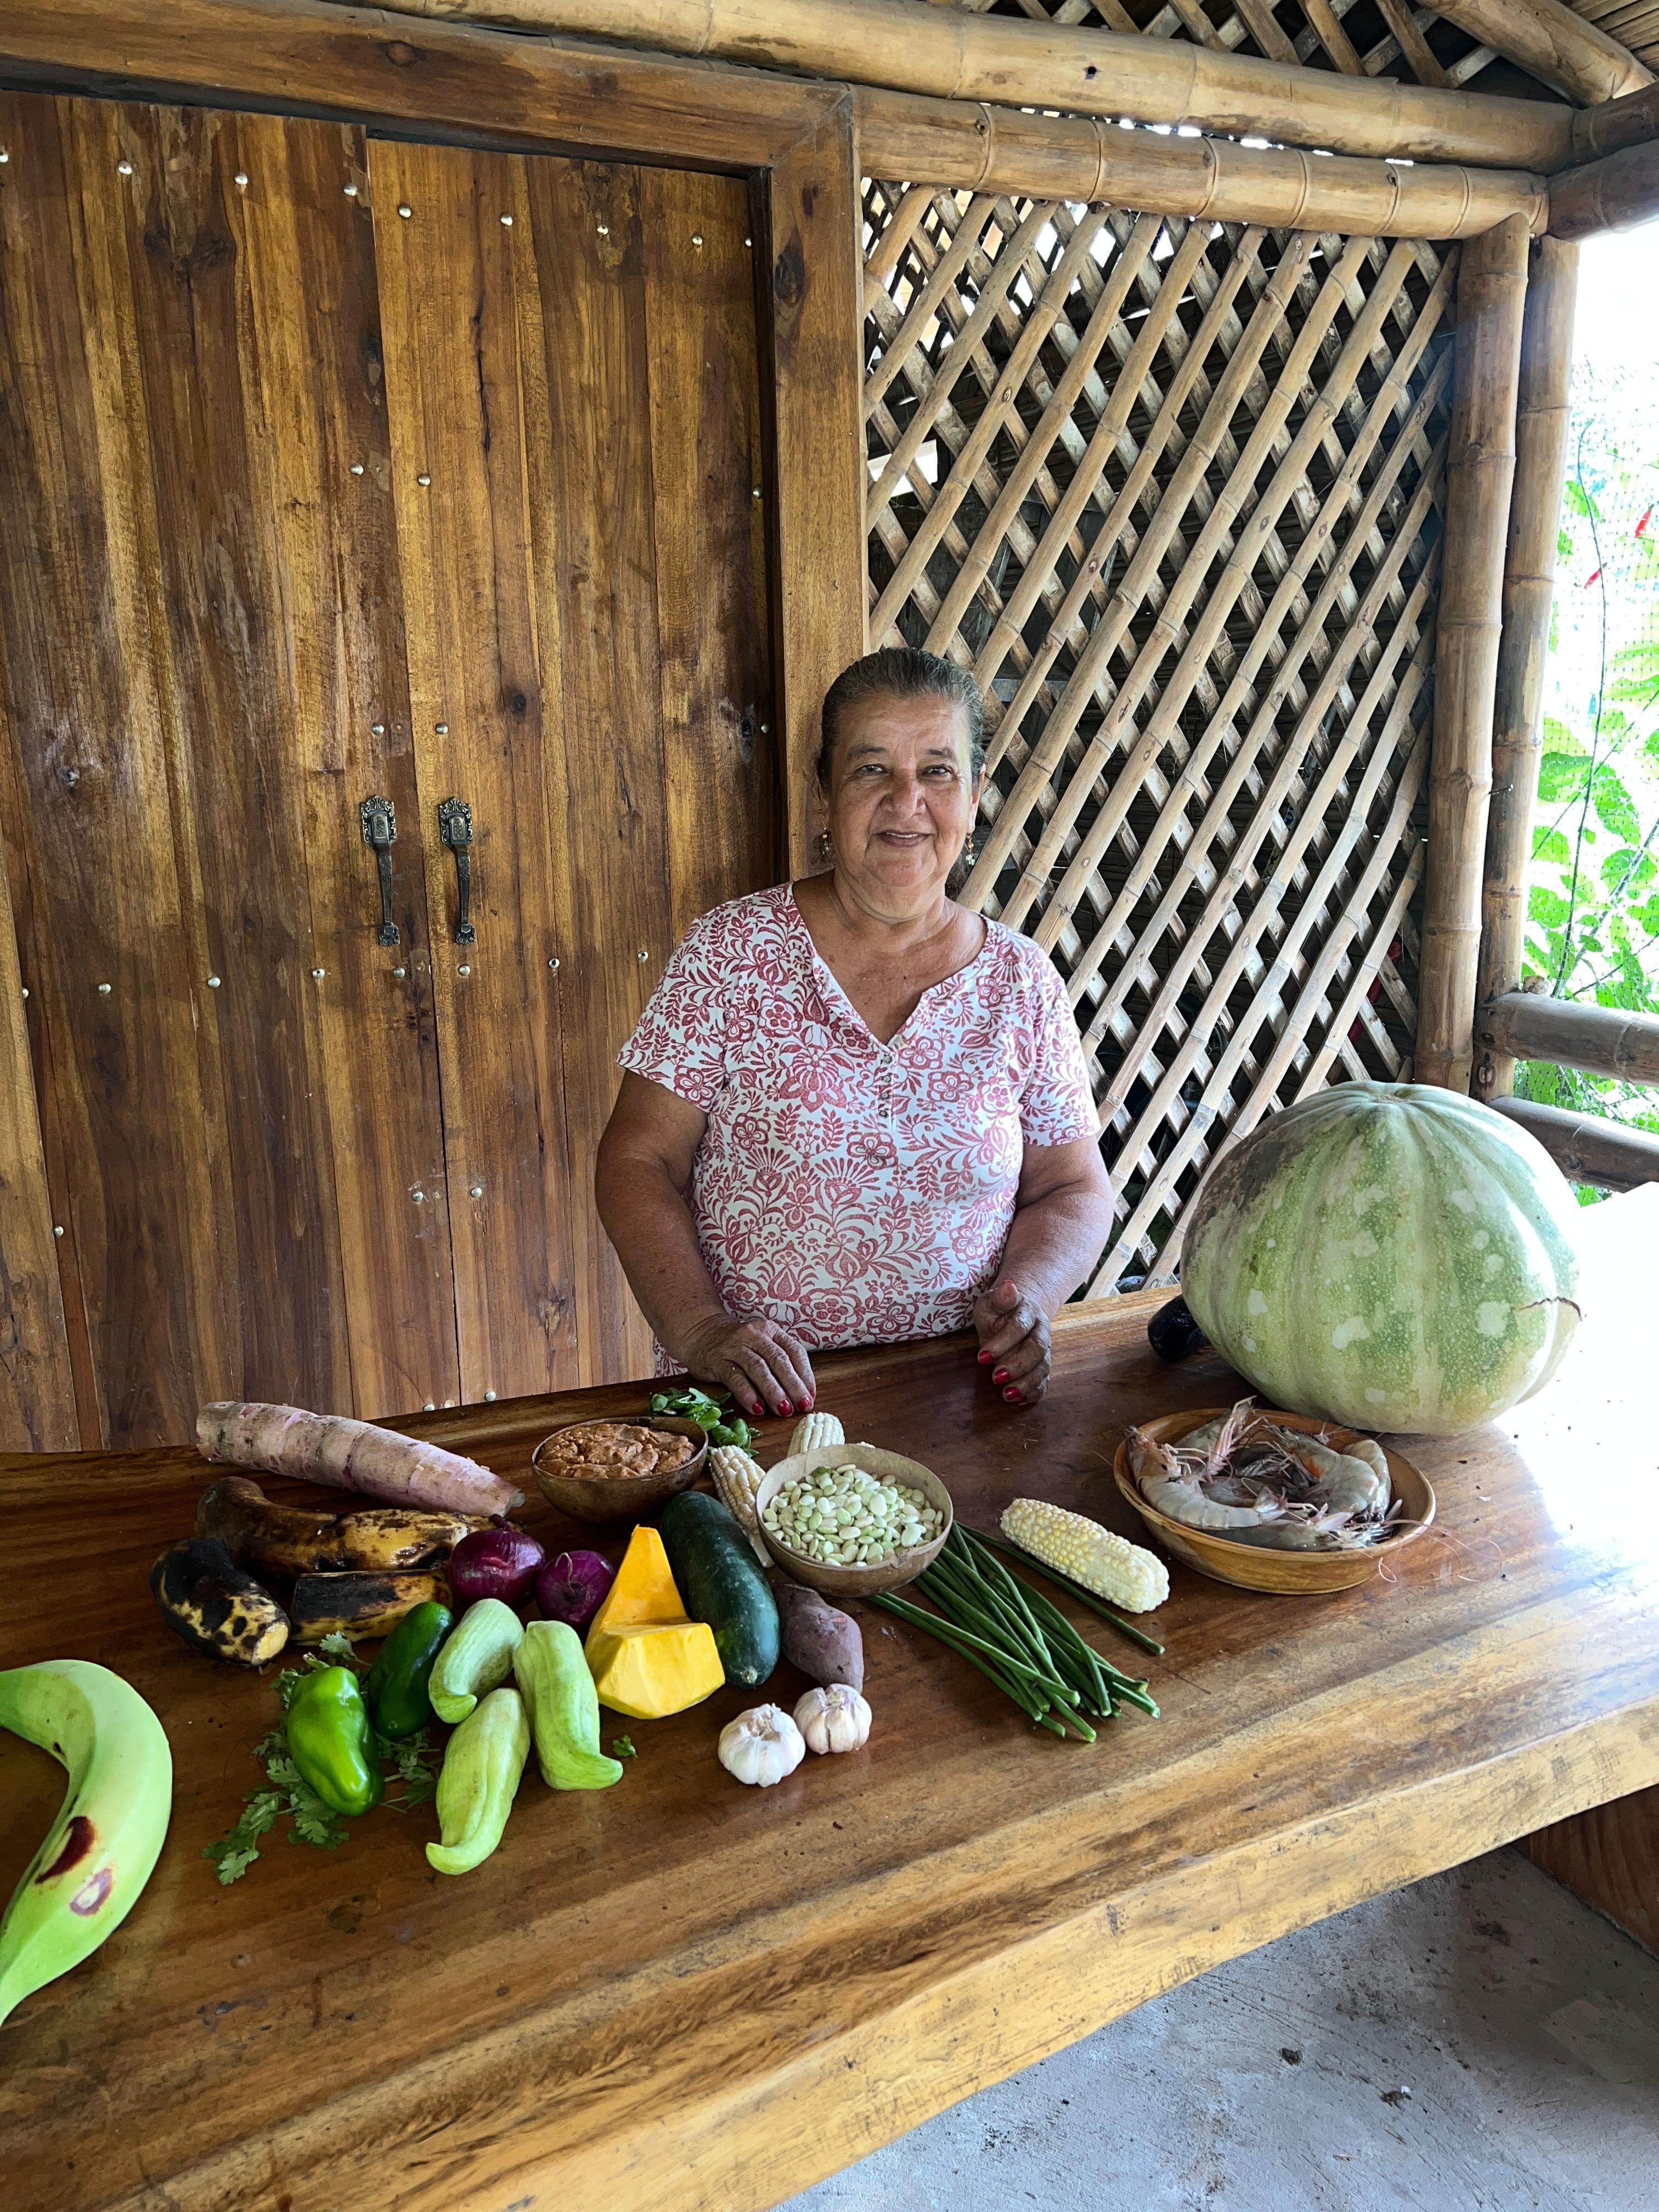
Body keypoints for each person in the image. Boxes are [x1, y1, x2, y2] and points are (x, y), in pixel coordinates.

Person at [595, 646, 1114, 1417]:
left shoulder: (1020, 981)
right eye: (873, 769)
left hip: (962, 1395)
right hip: (757, 1403)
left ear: (972, 800)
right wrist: (705, 1331)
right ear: (825, 792)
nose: (907, 801)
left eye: (937, 771)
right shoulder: (732, 955)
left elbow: (1072, 1187)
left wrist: (1030, 1299)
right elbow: (638, 1160)